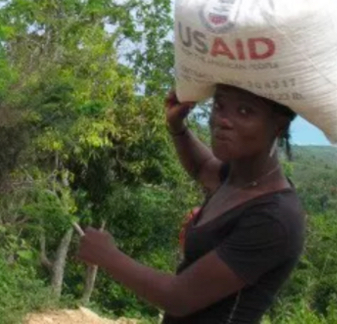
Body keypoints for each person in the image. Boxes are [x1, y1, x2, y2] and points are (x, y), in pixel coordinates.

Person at [76, 84, 306, 323]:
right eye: (219, 106)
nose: (223, 120)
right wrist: (177, 127)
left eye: (245, 111)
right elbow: (203, 167)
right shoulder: (237, 178)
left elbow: (179, 297)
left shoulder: (274, 218)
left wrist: (107, 255)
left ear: (278, 126)